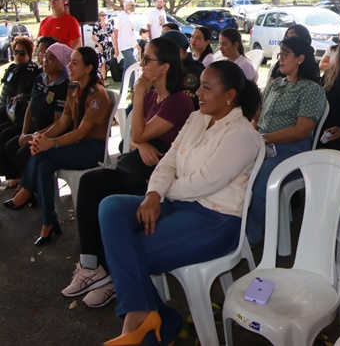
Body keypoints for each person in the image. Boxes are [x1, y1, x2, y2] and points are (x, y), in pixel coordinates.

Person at [98, 61, 262, 346]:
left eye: (206, 88)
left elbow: (204, 182)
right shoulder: (198, 117)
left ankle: (149, 328)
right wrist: (152, 195)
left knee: (129, 253)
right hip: (178, 202)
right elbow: (170, 160)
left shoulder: (242, 135)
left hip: (215, 219)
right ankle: (151, 315)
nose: (198, 92)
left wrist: (161, 194)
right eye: (199, 84)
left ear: (229, 95)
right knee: (110, 207)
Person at [61, 37, 194, 308]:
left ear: (165, 68)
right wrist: (142, 141)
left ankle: (106, 274)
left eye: (147, 60)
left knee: (98, 189)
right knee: (92, 185)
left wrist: (139, 96)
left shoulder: (178, 101)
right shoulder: (154, 96)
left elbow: (139, 133)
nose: (142, 64)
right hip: (139, 164)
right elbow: (133, 139)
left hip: (159, 177)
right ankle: (94, 267)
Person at [4, 47, 112, 247]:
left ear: (88, 68)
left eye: (75, 63)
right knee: (44, 164)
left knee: (44, 155)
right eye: (69, 61)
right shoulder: (73, 88)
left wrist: (50, 143)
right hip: (76, 145)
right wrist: (39, 138)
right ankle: (48, 221)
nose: (69, 66)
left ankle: (26, 191)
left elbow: (81, 132)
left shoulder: (98, 95)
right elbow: (62, 123)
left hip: (91, 149)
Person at [246, 36, 326, 244]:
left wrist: (262, 139)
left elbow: (301, 130)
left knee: (261, 178)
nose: (279, 59)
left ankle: (250, 236)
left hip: (291, 150)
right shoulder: (275, 85)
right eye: (279, 54)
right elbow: (259, 116)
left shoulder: (311, 90)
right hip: (263, 141)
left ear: (300, 58)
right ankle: (230, 223)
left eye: (285, 55)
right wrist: (253, 132)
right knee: (232, 168)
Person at [0, 37, 57, 190]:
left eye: (21, 53)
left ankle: (27, 185)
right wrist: (25, 133)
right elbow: (32, 105)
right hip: (27, 123)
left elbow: (61, 122)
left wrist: (33, 135)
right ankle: (24, 182)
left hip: (44, 130)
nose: (42, 59)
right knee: (10, 138)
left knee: (13, 145)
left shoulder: (60, 84)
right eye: (40, 54)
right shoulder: (41, 78)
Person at [113, 0, 138, 93]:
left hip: (131, 46)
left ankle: (123, 89)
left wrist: (136, 44)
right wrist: (116, 47)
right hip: (124, 46)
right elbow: (116, 31)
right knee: (135, 64)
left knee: (127, 68)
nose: (133, 7)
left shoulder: (130, 16)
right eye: (132, 5)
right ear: (126, 6)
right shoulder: (121, 17)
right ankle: (133, 87)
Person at [92, 11, 114, 79]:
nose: (104, 16)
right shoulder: (96, 25)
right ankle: (103, 80)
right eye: (103, 15)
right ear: (99, 16)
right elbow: (93, 38)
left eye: (105, 15)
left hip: (107, 46)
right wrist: (98, 44)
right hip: (99, 46)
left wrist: (115, 45)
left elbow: (112, 36)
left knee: (106, 63)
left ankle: (103, 79)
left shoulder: (109, 25)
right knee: (102, 62)